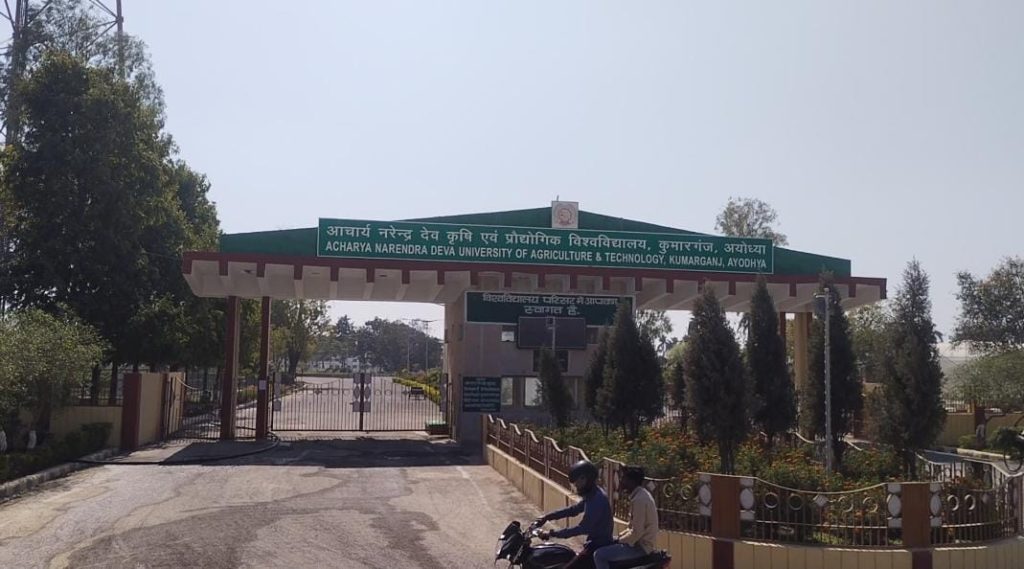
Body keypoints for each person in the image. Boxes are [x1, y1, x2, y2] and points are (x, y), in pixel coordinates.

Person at [535, 459, 614, 558]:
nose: (576, 485)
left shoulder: (597, 499)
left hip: (599, 545)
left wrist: (552, 534)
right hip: (594, 542)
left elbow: (583, 528)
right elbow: (574, 510)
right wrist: (548, 517)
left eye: (577, 482)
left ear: (585, 478)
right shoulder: (593, 494)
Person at [593, 465, 659, 569]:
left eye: (624, 478)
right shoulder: (639, 495)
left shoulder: (640, 500)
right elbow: (632, 528)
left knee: (599, 555)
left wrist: (619, 540)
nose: (621, 481)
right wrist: (619, 537)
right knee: (604, 542)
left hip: (641, 547)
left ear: (632, 481)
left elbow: (637, 532)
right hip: (636, 543)